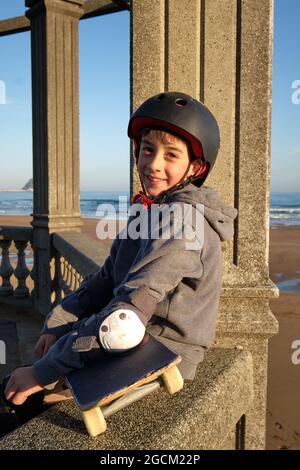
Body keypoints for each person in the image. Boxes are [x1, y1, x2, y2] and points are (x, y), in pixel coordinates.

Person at [3, 91, 237, 413]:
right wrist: (58, 320)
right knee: (21, 388)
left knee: (29, 401)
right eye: (147, 150)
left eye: (171, 155)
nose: (154, 165)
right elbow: (107, 277)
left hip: (164, 351)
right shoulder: (151, 210)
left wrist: (42, 372)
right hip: (138, 340)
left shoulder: (183, 222)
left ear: (195, 167)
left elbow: (124, 323)